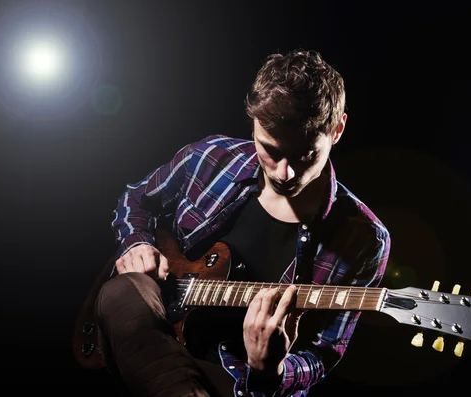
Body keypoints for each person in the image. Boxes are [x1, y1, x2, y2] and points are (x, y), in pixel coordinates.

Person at [94, 49, 391, 397]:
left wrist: (271, 369)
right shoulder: (210, 157)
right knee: (120, 293)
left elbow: (325, 353)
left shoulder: (365, 239)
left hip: (234, 380)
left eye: (305, 154)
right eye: (271, 149)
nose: (285, 172)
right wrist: (137, 243)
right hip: (151, 326)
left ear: (337, 129)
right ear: (253, 122)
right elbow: (137, 200)